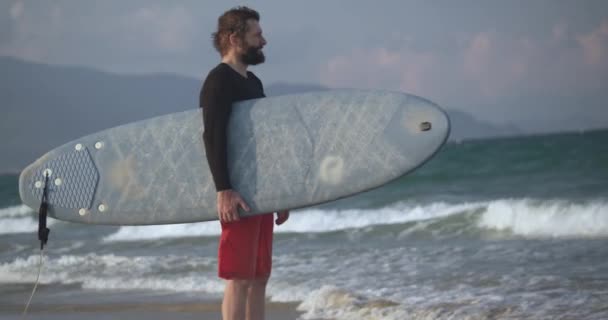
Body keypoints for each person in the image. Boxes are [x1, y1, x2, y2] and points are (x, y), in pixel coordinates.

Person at [199, 6, 289, 320]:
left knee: (259, 275)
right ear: (234, 38)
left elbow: (260, 143)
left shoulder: (253, 82)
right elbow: (212, 137)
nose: (263, 41)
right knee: (239, 277)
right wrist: (224, 188)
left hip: (259, 193)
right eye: (257, 35)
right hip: (236, 192)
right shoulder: (218, 82)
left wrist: (279, 193)